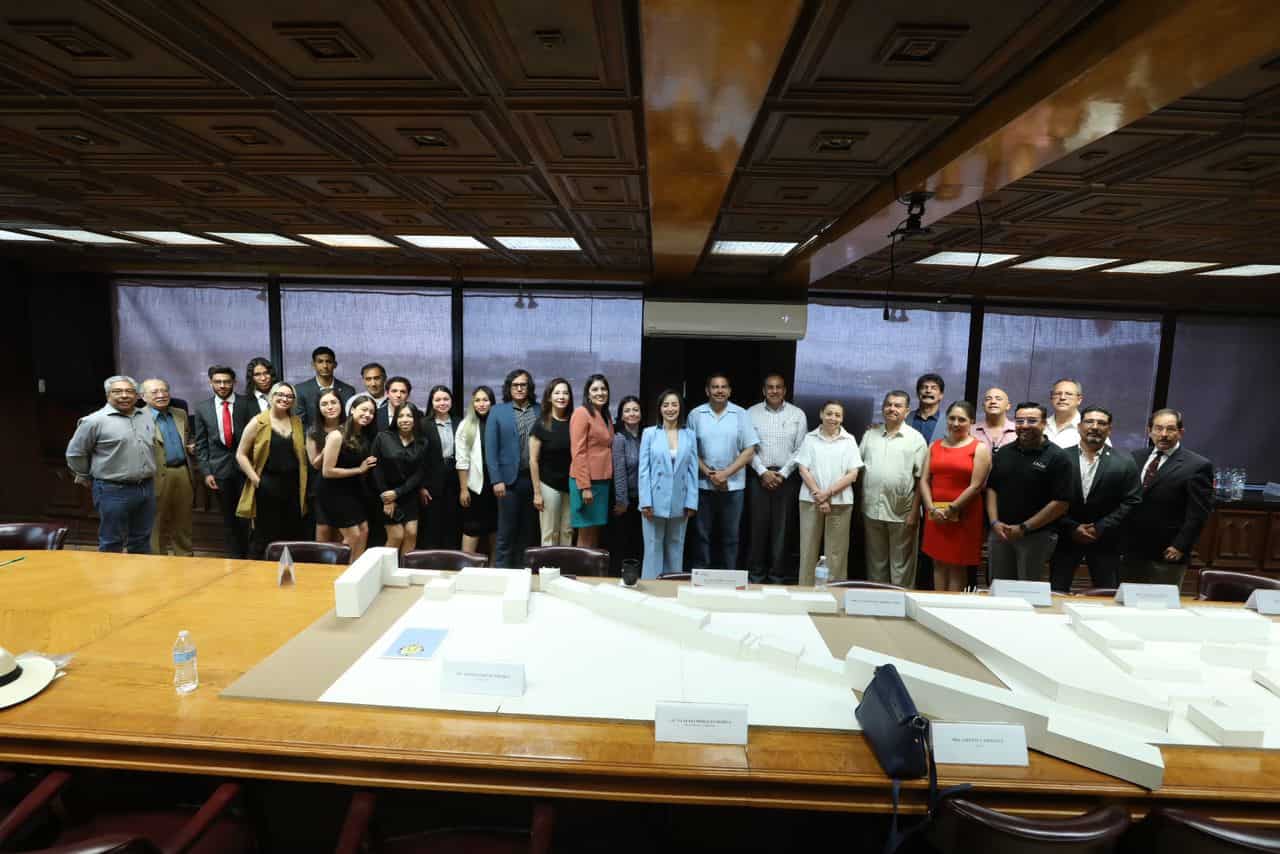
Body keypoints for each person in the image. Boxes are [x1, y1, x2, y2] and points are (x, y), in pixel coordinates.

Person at [1049, 406, 1142, 593]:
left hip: (1106, 541)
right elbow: (1047, 497)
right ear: (1079, 426)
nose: (1095, 427)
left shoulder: (1124, 461)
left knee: (1107, 595)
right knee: (1056, 592)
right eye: (1089, 421)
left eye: (1101, 423)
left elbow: (1132, 501)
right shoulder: (1059, 457)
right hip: (1065, 537)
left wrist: (1100, 527)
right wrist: (1072, 527)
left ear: (1109, 429)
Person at [1121, 408, 1213, 588]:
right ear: (1149, 430)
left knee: (1161, 606)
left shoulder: (1197, 465)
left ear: (1181, 432)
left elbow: (1198, 513)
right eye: (1158, 428)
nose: (1163, 434)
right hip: (1131, 549)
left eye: (1170, 429)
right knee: (1127, 602)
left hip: (1167, 551)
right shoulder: (1136, 457)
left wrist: (1181, 546)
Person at [65, 375, 157, 553]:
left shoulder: (145, 416)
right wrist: (84, 475)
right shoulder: (93, 421)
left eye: (129, 391)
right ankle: (110, 580)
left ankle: (142, 579)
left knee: (142, 539)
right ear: (108, 395)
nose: (124, 395)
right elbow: (75, 453)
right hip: (113, 490)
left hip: (146, 488)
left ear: (137, 395)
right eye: (118, 391)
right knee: (112, 541)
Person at [985, 402, 1072, 581]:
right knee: (998, 588)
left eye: (1032, 421)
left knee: (1028, 591)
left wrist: (1025, 528)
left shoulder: (1058, 457)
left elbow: (1061, 503)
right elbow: (992, 488)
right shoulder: (1004, 452)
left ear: (1043, 424)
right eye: (1020, 420)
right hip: (1001, 534)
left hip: (1036, 536)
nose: (1024, 425)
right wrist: (994, 523)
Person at [688, 373, 758, 570]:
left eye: (723, 387)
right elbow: (690, 449)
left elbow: (750, 450)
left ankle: (730, 576)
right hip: (703, 485)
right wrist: (710, 475)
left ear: (729, 391)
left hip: (734, 486)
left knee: (731, 536)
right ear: (707, 390)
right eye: (715, 387)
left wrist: (725, 474)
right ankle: (701, 577)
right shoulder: (696, 414)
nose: (719, 390)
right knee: (702, 536)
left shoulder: (741, 414)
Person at [920, 401, 992, 591]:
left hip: (964, 514)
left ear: (972, 422)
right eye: (952, 418)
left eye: (962, 419)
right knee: (938, 563)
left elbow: (976, 486)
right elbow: (924, 480)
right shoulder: (934, 446)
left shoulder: (979, 448)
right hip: (935, 513)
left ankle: (950, 610)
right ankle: (936, 605)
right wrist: (931, 508)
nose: (956, 423)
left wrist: (952, 509)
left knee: (956, 565)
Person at [859, 390, 928, 587]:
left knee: (901, 567)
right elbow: (857, 468)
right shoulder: (870, 435)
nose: (892, 408)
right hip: (872, 509)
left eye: (898, 406)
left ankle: (901, 606)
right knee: (875, 564)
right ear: (882, 408)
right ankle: (878, 605)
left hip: (902, 512)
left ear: (907, 411)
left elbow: (921, 478)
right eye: (888, 404)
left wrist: (915, 512)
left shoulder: (916, 439)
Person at [746, 373, 807, 584]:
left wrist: (782, 474)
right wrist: (762, 471)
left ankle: (777, 577)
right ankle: (755, 576)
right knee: (757, 529)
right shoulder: (750, 413)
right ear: (763, 390)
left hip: (786, 479)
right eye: (770, 387)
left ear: (784, 390)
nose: (774, 391)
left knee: (782, 530)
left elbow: (801, 449)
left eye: (778, 387)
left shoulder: (797, 414)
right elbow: (746, 447)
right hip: (758, 477)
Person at [235, 382, 308, 559]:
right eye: (280, 395)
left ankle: (287, 573)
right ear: (271, 397)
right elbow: (241, 455)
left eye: (289, 396)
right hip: (267, 485)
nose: (285, 399)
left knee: (291, 532)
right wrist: (256, 480)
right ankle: (257, 573)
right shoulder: (258, 421)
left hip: (293, 486)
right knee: (264, 533)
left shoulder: (297, 422)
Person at [794, 400, 863, 586]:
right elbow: (803, 468)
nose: (833, 418)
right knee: (808, 549)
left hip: (840, 502)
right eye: (829, 413)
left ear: (842, 418)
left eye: (837, 415)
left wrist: (828, 494)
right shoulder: (810, 438)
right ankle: (805, 590)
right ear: (821, 414)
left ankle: (835, 592)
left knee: (837, 552)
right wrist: (819, 495)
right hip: (810, 500)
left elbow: (853, 474)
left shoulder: (849, 440)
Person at [193, 365, 255, 559]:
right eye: (218, 382)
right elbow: (201, 444)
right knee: (228, 518)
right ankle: (235, 558)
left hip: (246, 469)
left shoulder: (247, 404)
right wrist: (207, 472)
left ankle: (252, 557)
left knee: (248, 517)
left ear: (234, 383)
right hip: (219, 471)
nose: (222, 385)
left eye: (227, 381)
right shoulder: (203, 408)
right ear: (211, 383)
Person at [638, 390, 699, 579]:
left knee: (676, 544)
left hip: (680, 499)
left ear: (680, 408)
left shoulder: (689, 435)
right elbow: (643, 470)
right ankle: (651, 586)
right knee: (653, 545)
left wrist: (691, 501)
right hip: (653, 500)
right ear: (660, 409)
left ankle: (673, 585)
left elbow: (693, 470)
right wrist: (645, 502)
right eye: (666, 405)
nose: (670, 409)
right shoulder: (649, 433)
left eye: (674, 404)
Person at [486, 369, 541, 567]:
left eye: (523, 385)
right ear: (509, 388)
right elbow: (491, 450)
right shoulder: (497, 411)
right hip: (507, 482)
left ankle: (522, 573)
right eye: (515, 385)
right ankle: (501, 574)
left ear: (529, 387)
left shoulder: (539, 410)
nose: (519, 388)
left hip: (533, 481)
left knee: (527, 532)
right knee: (506, 533)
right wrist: (496, 479)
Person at [320, 393, 379, 562]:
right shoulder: (336, 435)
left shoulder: (363, 435)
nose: (367, 415)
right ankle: (342, 575)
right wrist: (359, 470)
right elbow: (327, 471)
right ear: (352, 409)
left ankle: (356, 572)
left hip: (354, 491)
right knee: (352, 536)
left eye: (371, 412)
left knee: (364, 531)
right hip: (334, 492)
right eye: (363, 410)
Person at [140, 378, 194, 557]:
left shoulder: (180, 414)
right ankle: (157, 560)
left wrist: (189, 447)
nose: (161, 395)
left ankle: (185, 556)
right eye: (155, 392)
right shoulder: (137, 417)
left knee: (183, 520)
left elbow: (186, 439)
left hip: (182, 472)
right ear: (143, 396)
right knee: (155, 522)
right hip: (154, 475)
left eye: (164, 391)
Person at [372, 402, 428, 557]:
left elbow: (420, 472)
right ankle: (382, 573)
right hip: (386, 494)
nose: (405, 419)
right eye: (401, 416)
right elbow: (376, 469)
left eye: (409, 416)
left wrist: (399, 492)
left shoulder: (422, 441)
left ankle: (403, 573)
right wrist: (387, 498)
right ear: (395, 419)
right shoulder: (383, 437)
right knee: (396, 536)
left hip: (408, 494)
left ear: (415, 419)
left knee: (411, 534)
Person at [570, 374, 615, 549]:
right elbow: (578, 452)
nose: (600, 392)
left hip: (602, 481)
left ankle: (593, 574)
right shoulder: (582, 413)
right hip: (586, 482)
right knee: (585, 530)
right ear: (588, 394)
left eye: (603, 389)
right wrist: (585, 486)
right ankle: (582, 573)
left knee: (595, 530)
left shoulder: (605, 415)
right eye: (595, 389)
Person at [530, 378, 574, 546]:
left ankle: (565, 570)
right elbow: (533, 460)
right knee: (550, 532)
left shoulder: (574, 422)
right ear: (549, 397)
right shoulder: (541, 424)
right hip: (548, 485)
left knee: (568, 531)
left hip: (570, 485)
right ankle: (547, 571)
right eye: (557, 393)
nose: (561, 397)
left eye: (565, 393)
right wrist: (537, 493)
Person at [457, 386, 498, 559]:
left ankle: (496, 566)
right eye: (477, 400)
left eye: (485, 400)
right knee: (471, 527)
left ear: (492, 402)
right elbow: (462, 460)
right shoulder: (466, 424)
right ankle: (466, 565)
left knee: (496, 528)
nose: (481, 404)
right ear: (472, 403)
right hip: (474, 486)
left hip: (497, 484)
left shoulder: (497, 422)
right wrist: (464, 488)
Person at [419, 384, 461, 550]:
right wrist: (421, 486)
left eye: (445, 399)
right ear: (431, 402)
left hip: (455, 477)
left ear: (451, 401)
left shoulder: (460, 422)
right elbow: (419, 458)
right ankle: (432, 558)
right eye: (437, 400)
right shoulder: (423, 424)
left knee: (453, 520)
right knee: (432, 522)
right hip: (431, 480)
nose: (442, 403)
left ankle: (451, 557)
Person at [305, 389, 345, 546]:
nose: (330, 407)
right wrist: (329, 445)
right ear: (318, 408)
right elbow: (315, 464)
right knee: (323, 535)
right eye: (324, 404)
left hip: (346, 487)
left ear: (341, 404)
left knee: (343, 537)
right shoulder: (313, 431)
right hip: (322, 488)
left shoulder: (349, 427)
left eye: (333, 402)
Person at [610, 395, 644, 572]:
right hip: (625, 502)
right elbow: (619, 472)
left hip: (643, 501)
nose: (632, 413)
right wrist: (622, 501)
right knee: (623, 545)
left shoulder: (647, 436)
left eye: (635, 410)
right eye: (628, 410)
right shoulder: (619, 438)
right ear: (621, 416)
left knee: (639, 545)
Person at [294, 346, 355, 430]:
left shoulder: (348, 391)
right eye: (320, 362)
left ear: (335, 364)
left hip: (342, 439)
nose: (325, 366)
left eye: (328, 362)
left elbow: (350, 421)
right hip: (312, 439)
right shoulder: (300, 390)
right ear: (313, 364)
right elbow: (300, 423)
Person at [1044, 378, 1086, 448]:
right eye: (1058, 393)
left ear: (1079, 400)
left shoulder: (1089, 429)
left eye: (1069, 394)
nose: (1062, 397)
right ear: (1051, 397)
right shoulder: (1040, 426)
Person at [973, 387, 1016, 451]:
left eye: (998, 399)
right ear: (983, 406)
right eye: (988, 399)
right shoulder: (970, 430)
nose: (993, 402)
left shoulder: (1018, 430)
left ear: (1008, 406)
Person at [908, 373, 945, 443]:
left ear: (941, 395)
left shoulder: (949, 421)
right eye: (924, 387)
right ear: (918, 393)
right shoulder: (905, 418)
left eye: (934, 388)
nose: (928, 391)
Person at [354, 362, 390, 430]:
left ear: (385, 378)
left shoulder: (393, 400)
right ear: (363, 380)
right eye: (368, 379)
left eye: (376, 378)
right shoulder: (354, 401)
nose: (373, 384)